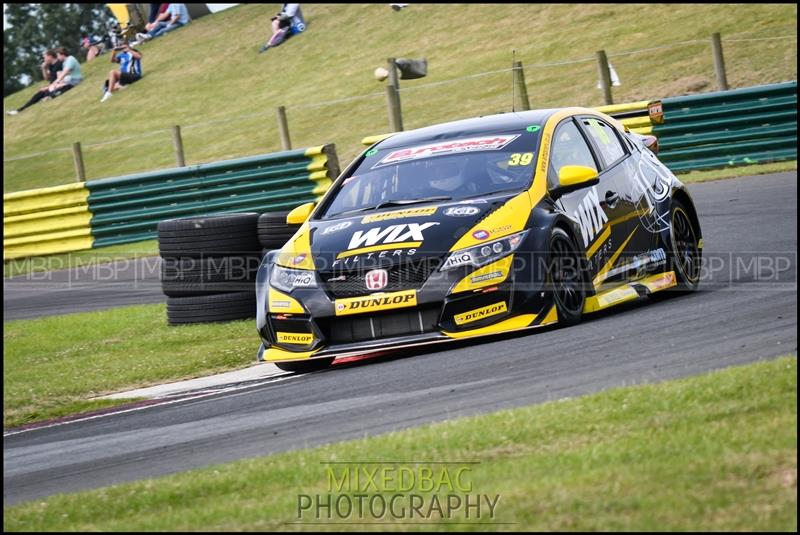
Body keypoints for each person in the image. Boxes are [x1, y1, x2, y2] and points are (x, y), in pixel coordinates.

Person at [7, 50, 63, 115]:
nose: (44, 59)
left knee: (40, 96)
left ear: (50, 57)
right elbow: (47, 78)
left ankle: (19, 111)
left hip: (56, 87)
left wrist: (47, 87)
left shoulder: (59, 64)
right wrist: (44, 69)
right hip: (51, 87)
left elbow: (59, 80)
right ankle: (18, 110)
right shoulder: (50, 65)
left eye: (45, 57)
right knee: (36, 96)